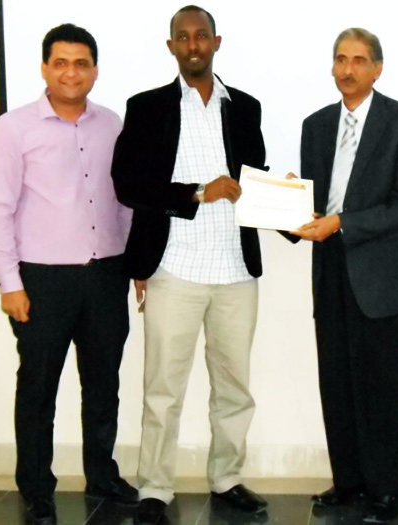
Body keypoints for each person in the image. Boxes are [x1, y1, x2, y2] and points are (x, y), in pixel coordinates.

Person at [110, 5, 268, 523]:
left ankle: (227, 479)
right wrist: (199, 192)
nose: (194, 44)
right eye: (184, 37)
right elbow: (128, 185)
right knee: (161, 391)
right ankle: (154, 488)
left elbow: (259, 185)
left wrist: (288, 211)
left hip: (235, 274)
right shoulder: (146, 107)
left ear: (217, 42)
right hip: (173, 270)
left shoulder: (246, 108)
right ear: (172, 46)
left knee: (234, 390)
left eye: (202, 35)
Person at [0, 23, 137, 525]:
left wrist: (135, 266)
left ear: (95, 69)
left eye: (82, 63)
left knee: (103, 385)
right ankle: (36, 487)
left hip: (105, 275)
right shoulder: (14, 128)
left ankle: (102, 474)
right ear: (45, 68)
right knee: (38, 388)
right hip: (42, 281)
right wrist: (9, 282)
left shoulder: (112, 124)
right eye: (61, 62)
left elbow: (126, 203)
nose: (72, 72)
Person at [290, 28, 398, 523]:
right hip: (329, 272)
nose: (347, 69)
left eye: (359, 60)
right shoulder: (315, 125)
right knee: (337, 380)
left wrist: (343, 223)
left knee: (382, 388)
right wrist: (287, 206)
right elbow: (311, 201)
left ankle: (388, 488)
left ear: (377, 68)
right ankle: (347, 481)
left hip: (382, 278)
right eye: (340, 59)